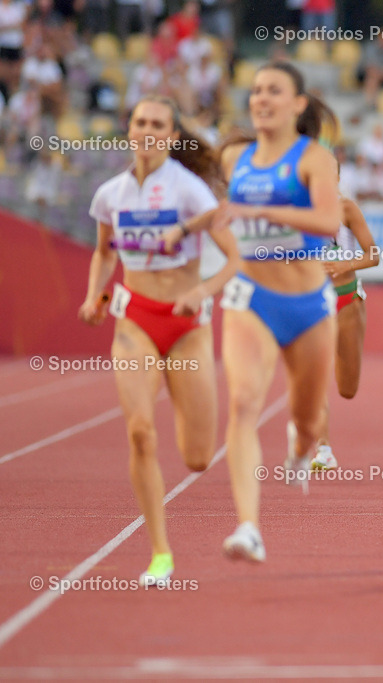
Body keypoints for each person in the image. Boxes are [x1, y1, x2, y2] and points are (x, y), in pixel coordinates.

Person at [79, 95, 240, 585]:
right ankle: (160, 554)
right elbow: (104, 252)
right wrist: (94, 296)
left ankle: (178, 387)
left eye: (158, 124)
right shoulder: (110, 194)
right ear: (130, 130)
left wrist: (202, 290)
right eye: (140, 122)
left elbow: (234, 260)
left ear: (172, 137)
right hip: (135, 324)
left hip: (187, 328)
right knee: (140, 433)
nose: (147, 130)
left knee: (197, 457)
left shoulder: (190, 191)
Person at [211, 62, 342, 561]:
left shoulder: (314, 159)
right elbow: (222, 214)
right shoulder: (234, 159)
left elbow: (329, 221)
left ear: (297, 103)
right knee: (243, 402)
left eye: (274, 91)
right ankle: (249, 527)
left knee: (309, 422)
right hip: (252, 300)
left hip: (308, 305)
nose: (262, 99)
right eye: (256, 91)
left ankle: (301, 443)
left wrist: (260, 212)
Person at [309, 191, 380, 470]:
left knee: (347, 388)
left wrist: (345, 264)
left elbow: (373, 255)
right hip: (311, 303)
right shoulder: (294, 209)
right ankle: (323, 448)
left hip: (346, 298)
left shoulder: (346, 208)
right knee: (314, 376)